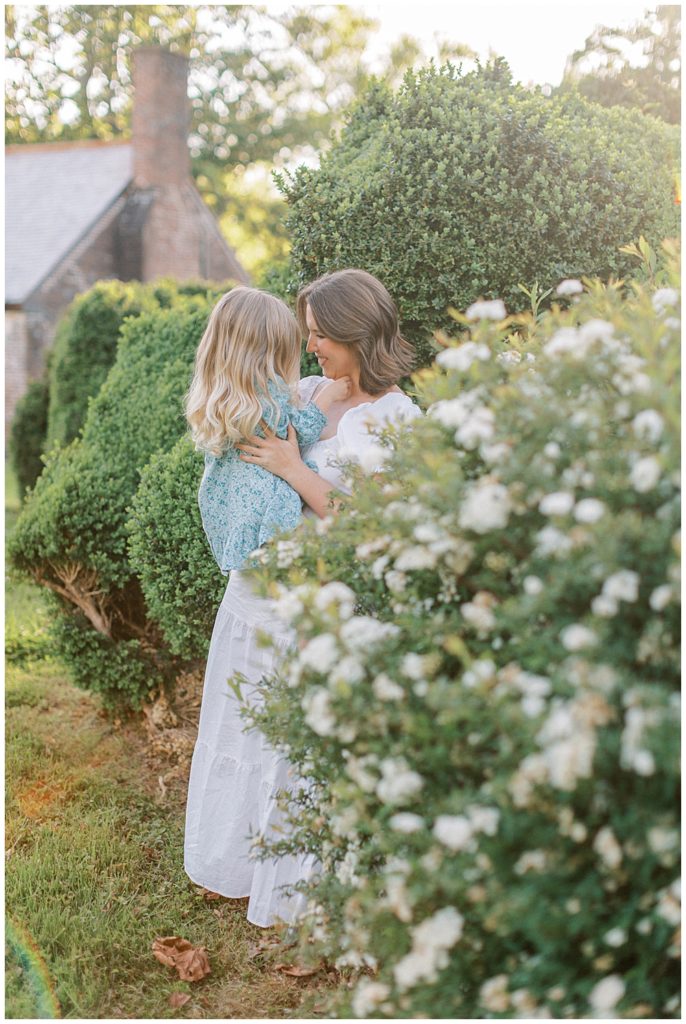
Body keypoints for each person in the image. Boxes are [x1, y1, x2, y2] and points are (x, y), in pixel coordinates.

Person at [184, 269, 420, 928]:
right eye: (308, 333)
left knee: (299, 747)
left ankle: (296, 889)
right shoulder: (308, 391)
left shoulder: (398, 418)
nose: (311, 346)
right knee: (248, 730)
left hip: (325, 604)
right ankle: (233, 864)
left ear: (360, 334)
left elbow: (377, 527)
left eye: (323, 335)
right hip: (260, 596)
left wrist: (293, 468)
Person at [185, 286, 350, 576]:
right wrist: (329, 396)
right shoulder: (265, 397)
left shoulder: (227, 399)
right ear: (270, 352)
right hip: (264, 515)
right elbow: (298, 433)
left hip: (230, 510)